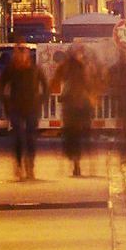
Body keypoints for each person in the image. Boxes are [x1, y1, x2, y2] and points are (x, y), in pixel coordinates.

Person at [0, 41, 45, 180]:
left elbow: (45, 86)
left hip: (32, 107)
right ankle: (18, 164)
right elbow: (1, 86)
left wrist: (40, 101)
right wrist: (6, 103)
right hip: (16, 107)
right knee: (18, 136)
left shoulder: (35, 69)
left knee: (30, 138)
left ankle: (30, 164)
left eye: (24, 53)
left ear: (27, 54)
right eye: (19, 52)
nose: (22, 56)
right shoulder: (11, 69)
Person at [50, 46, 94, 176]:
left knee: (72, 133)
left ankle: (75, 159)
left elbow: (55, 82)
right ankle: (76, 160)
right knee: (76, 133)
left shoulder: (67, 66)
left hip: (72, 104)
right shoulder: (80, 67)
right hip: (78, 104)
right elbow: (88, 84)